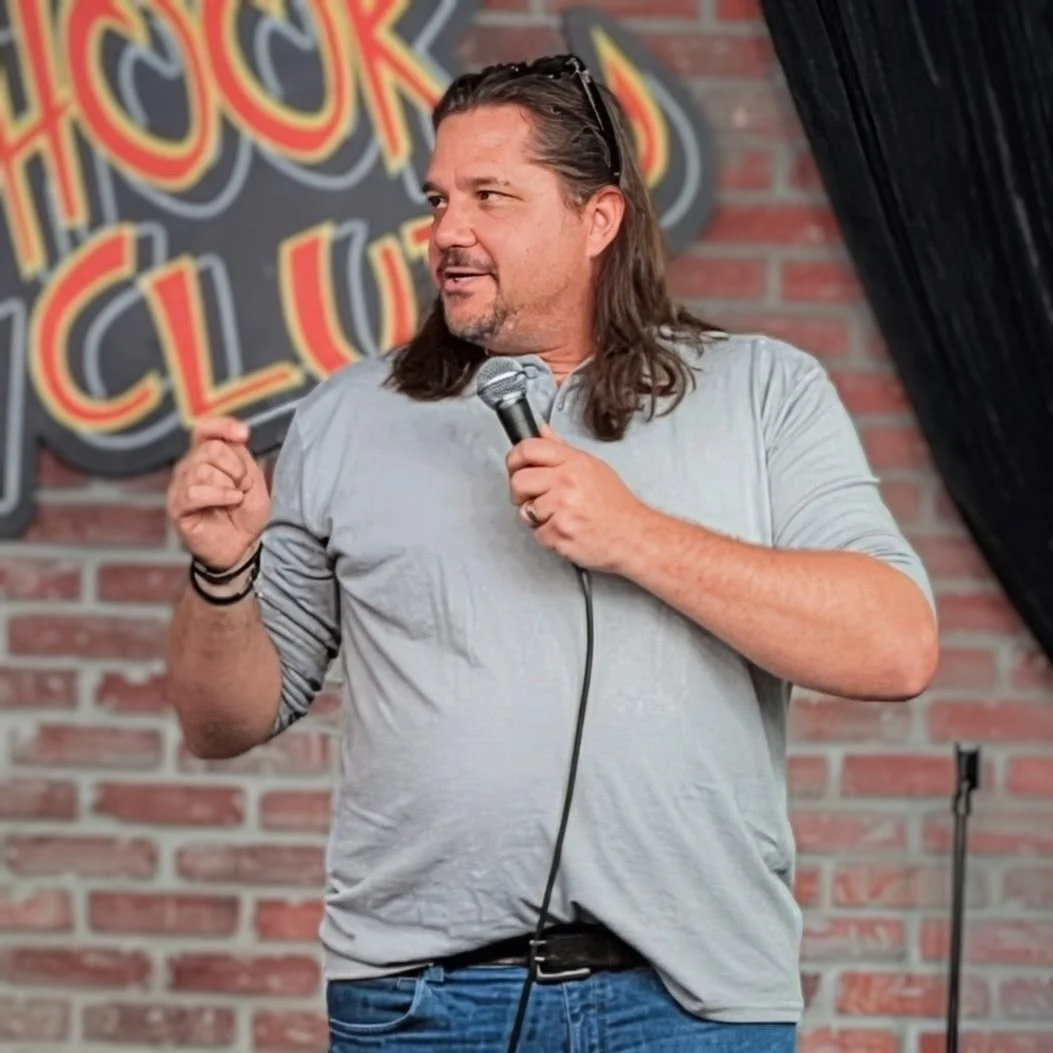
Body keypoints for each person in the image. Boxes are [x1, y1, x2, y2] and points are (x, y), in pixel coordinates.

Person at [164, 54, 939, 1053]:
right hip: (421, 1007)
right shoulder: (348, 418)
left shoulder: (764, 394)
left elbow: (897, 647)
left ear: (597, 218)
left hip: (692, 1006)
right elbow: (220, 722)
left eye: (491, 196)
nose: (450, 231)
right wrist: (223, 571)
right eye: (439, 200)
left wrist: (636, 537)